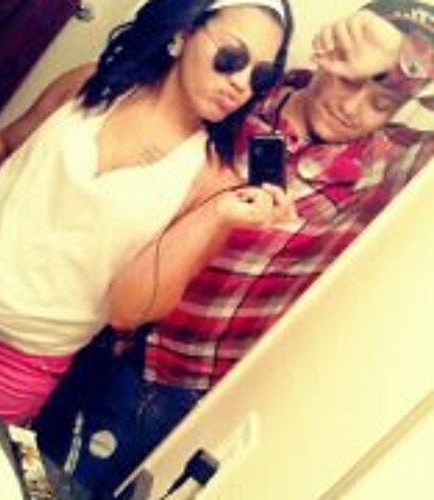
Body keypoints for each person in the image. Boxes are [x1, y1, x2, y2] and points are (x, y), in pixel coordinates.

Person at [34, 0, 433, 496]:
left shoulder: (390, 165)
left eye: (382, 101)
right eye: (351, 80)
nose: (352, 109)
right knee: (26, 460)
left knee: (73, 489)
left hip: (180, 380)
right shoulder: (241, 90)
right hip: (87, 315)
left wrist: (415, 60)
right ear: (332, 52)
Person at [0, 0, 295, 425]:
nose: (240, 83)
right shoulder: (90, 85)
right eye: (231, 57)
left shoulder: (212, 180)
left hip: (20, 358)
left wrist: (215, 215)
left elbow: (128, 311)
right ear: (182, 35)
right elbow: (3, 144)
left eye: (259, 76)